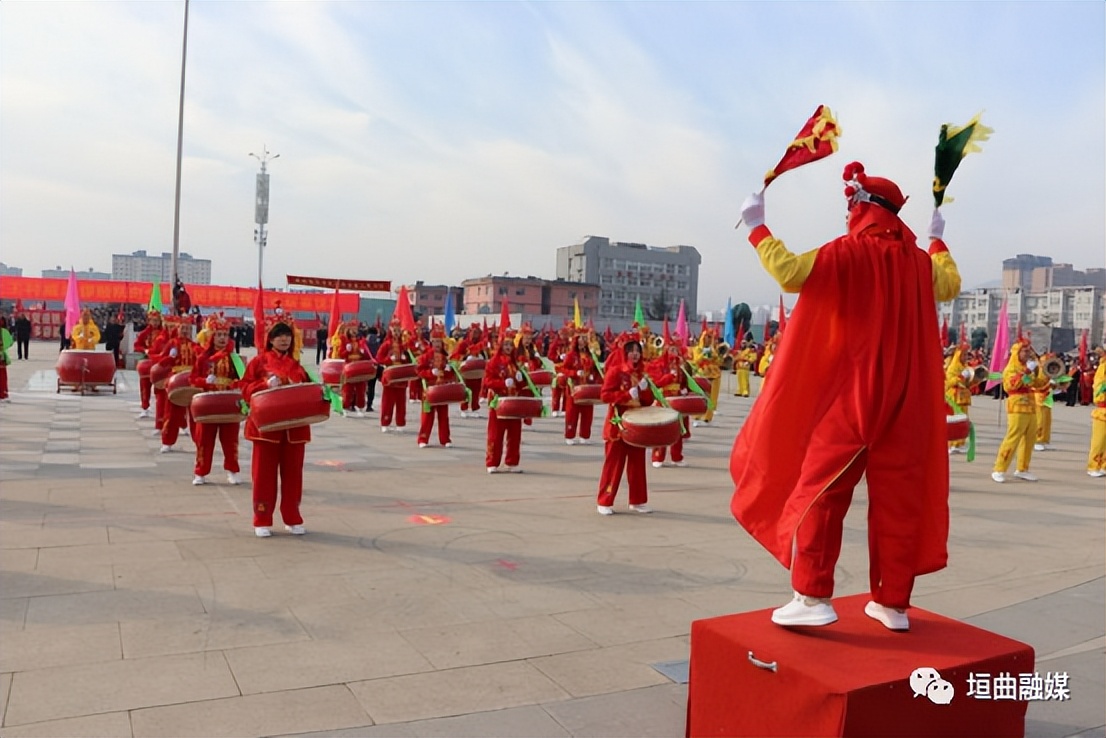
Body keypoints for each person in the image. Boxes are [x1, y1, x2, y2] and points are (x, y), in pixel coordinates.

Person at [730, 161, 962, 631]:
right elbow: (950, 283)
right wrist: (938, 241)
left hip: (852, 397)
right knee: (899, 501)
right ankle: (893, 604)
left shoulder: (846, 252)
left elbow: (789, 272)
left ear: (860, 207)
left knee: (822, 492)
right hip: (905, 403)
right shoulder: (921, 264)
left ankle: (813, 596)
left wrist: (757, 227)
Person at [241, 316, 312, 537]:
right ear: (270, 339)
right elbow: (244, 387)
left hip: (294, 428)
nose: (284, 339)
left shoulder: (298, 365)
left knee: (293, 476)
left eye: (287, 335)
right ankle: (262, 518)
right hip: (266, 428)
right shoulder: (259, 362)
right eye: (279, 335)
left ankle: (292, 517)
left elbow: (311, 389)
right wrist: (263, 384)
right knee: (263, 475)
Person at [597, 336, 656, 515]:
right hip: (618, 425)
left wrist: (645, 390)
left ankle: (637, 500)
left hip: (637, 424)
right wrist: (625, 395)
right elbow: (605, 395)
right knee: (613, 464)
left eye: (637, 350)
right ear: (624, 352)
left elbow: (648, 401)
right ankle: (604, 501)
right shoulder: (615, 372)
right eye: (631, 350)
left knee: (638, 464)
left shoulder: (642, 374)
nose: (635, 354)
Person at [190, 313, 242, 486]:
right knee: (204, 440)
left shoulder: (234, 358)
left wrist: (235, 383)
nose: (222, 338)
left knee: (230, 440)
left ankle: (232, 470)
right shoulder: (203, 358)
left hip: (227, 402)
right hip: (209, 403)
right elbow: (193, 379)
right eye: (219, 335)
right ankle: (201, 472)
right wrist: (205, 381)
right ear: (212, 336)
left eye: (225, 335)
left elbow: (244, 378)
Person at [991, 339, 1051, 483]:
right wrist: (1027, 371)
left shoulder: (1028, 368)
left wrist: (1045, 373)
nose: (1028, 353)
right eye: (1024, 351)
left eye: (1029, 351)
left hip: (1030, 406)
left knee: (1029, 439)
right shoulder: (1011, 369)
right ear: (1017, 353)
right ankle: (999, 469)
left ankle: (1022, 469)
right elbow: (1011, 385)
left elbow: (1038, 383)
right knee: (1013, 438)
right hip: (1017, 406)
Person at [482, 329, 525, 473]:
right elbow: (487, 381)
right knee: (496, 434)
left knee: (515, 434)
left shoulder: (515, 363)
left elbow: (522, 385)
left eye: (510, 345)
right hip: (499, 402)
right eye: (506, 344)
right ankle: (492, 462)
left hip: (514, 402)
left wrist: (521, 380)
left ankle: (512, 462)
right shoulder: (494, 361)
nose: (508, 347)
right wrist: (501, 384)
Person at [156, 318, 200, 454]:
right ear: (178, 329)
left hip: (191, 382)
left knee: (194, 415)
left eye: (188, 328)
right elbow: (161, 363)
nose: (185, 331)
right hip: (176, 381)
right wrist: (170, 357)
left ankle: (199, 442)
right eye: (183, 328)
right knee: (172, 414)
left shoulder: (195, 346)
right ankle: (167, 441)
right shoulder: (171, 344)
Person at [648, 339, 691, 468]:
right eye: (672, 349)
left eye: (676, 349)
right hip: (664, 400)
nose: (674, 352)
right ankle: (657, 456)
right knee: (662, 430)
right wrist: (669, 377)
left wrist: (685, 389)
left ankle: (676, 457)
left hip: (677, 401)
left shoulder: (681, 365)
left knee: (677, 429)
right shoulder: (659, 365)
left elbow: (686, 382)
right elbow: (656, 382)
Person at [415, 325, 457, 448]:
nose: (437, 344)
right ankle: (423, 439)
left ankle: (445, 439)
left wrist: (450, 370)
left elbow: (451, 375)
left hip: (442, 389)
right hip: (429, 389)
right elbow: (419, 371)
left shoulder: (445, 357)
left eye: (439, 341)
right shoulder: (426, 356)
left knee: (444, 415)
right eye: (435, 341)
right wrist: (430, 373)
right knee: (427, 415)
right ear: (431, 342)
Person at [562, 327, 602, 445]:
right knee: (572, 413)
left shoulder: (591, 355)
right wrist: (574, 373)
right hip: (574, 388)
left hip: (588, 388)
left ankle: (585, 435)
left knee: (587, 414)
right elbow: (563, 369)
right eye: (581, 338)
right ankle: (570, 435)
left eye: (585, 338)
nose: (583, 340)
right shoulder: (571, 355)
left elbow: (596, 370)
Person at [374, 318, 413, 433]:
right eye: (394, 330)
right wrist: (388, 360)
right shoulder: (386, 345)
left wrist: (406, 358)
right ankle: (385, 422)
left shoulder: (404, 346)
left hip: (401, 378)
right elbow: (378, 359)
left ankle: (400, 423)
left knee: (401, 403)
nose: (396, 333)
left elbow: (410, 361)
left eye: (398, 330)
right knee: (387, 402)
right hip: (390, 378)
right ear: (391, 331)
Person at [334, 320, 372, 417]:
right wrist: (347, 350)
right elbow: (341, 355)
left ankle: (360, 408)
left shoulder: (361, 341)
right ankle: (345, 408)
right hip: (349, 368)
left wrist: (363, 352)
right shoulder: (344, 340)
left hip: (359, 368)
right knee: (348, 390)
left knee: (361, 389)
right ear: (348, 330)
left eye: (355, 329)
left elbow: (367, 356)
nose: (354, 331)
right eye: (352, 329)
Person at [944, 345, 974, 454]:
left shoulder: (965, 367)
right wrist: (961, 377)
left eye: (967, 355)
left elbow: (968, 383)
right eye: (964, 355)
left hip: (964, 396)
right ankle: (952, 445)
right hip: (954, 397)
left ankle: (960, 443)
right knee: (955, 420)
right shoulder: (953, 367)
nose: (966, 357)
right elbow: (949, 382)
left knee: (963, 420)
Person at [1086, 349, 1106, 478]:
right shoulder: (1103, 368)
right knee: (1099, 441)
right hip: (1103, 410)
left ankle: (1104, 466)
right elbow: (1098, 390)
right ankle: (1093, 466)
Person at [0, 316, 11, 402]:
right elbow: (9, 343)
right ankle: (3, 392)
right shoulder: (4, 332)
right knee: (2, 375)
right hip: (1, 356)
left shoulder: (4, 332)